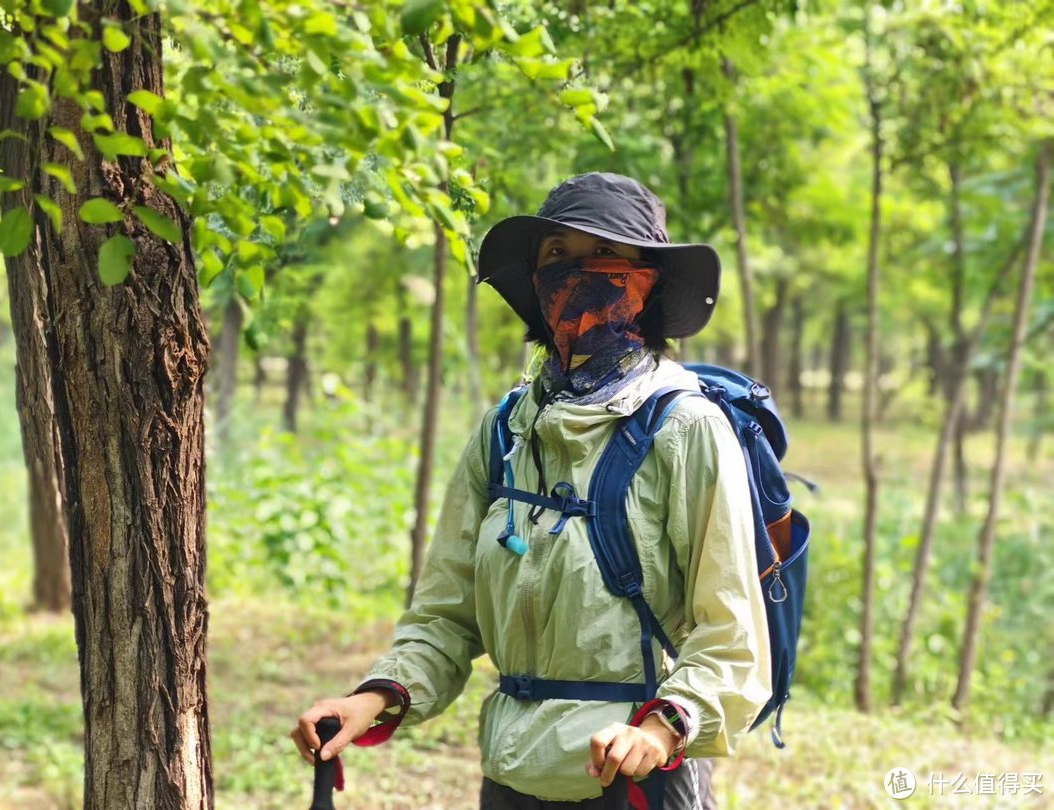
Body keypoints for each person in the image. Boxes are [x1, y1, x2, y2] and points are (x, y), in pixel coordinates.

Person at [291, 172, 772, 809]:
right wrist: (371, 699)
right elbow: (447, 613)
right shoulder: (506, 431)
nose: (577, 277)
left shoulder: (684, 429)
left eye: (603, 258)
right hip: (511, 776)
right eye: (556, 257)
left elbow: (730, 631)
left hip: (635, 780)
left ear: (645, 281)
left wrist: (661, 728)